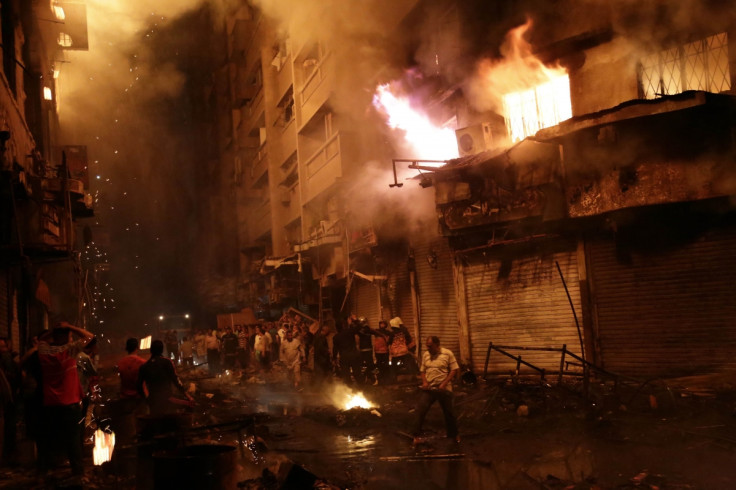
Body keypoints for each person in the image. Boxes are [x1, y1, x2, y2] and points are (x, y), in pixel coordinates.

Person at [37, 322, 95, 480]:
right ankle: (77, 472)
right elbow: (89, 336)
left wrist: (54, 331)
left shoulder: (43, 351)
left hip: (50, 404)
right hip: (70, 404)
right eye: (69, 336)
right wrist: (70, 326)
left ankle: (45, 470)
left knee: (49, 438)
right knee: (73, 439)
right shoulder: (70, 351)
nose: (71, 338)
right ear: (66, 338)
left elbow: (40, 340)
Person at [411, 336, 460, 444]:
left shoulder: (447, 354)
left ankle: (454, 435)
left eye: (430, 346)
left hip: (443, 389)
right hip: (430, 389)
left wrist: (444, 383)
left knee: (449, 413)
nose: (428, 348)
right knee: (420, 410)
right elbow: (422, 370)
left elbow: (454, 370)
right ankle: (416, 436)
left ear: (437, 345)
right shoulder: (426, 355)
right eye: (427, 346)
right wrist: (424, 382)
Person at [136, 340, 192, 415]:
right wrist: (187, 395)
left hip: (153, 400)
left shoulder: (144, 366)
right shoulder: (167, 362)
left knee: (156, 420)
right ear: (162, 350)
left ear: (151, 350)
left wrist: (146, 399)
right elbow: (175, 379)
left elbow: (139, 385)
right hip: (167, 399)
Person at [332, 320, 361, 385]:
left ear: (336, 328)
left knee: (346, 375)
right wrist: (355, 320)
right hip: (354, 356)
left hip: (344, 358)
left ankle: (349, 390)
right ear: (343, 325)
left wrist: (334, 358)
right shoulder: (349, 331)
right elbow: (359, 327)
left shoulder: (336, 337)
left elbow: (335, 349)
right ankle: (361, 388)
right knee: (357, 373)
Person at [373, 320, 391, 384]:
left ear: (385, 325)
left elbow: (389, 341)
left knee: (386, 365)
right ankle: (379, 378)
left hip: (385, 351)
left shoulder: (388, 332)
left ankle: (386, 378)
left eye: (383, 324)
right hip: (378, 352)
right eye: (381, 324)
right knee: (379, 365)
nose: (382, 325)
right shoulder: (376, 331)